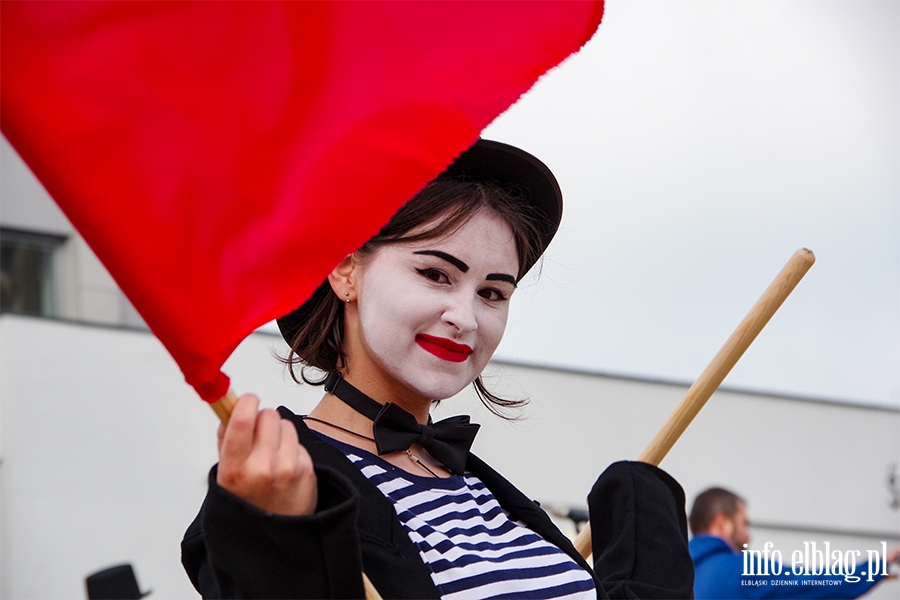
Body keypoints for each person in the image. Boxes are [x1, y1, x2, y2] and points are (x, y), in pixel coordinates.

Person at [181, 139, 695, 599]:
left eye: (493, 292)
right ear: (345, 269)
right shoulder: (275, 492)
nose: (466, 318)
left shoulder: (486, 491)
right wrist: (273, 534)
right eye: (435, 274)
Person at [689, 487, 899, 599]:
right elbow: (813, 585)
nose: (748, 536)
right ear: (722, 523)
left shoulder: (678, 575)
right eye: (744, 524)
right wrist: (874, 568)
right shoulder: (739, 570)